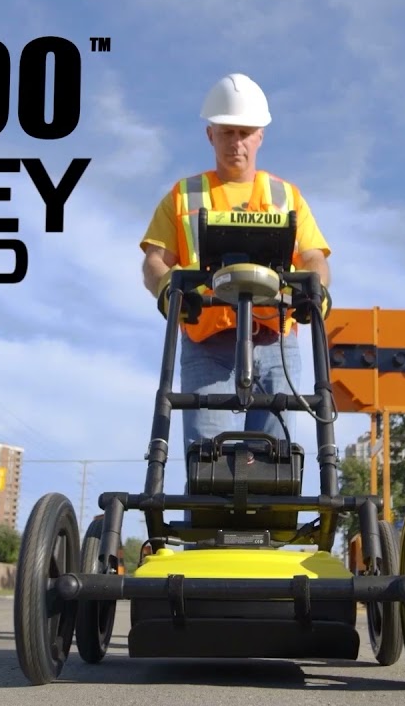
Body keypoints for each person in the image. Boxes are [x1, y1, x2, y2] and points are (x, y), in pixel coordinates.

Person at [138, 73, 332, 454]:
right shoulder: (184, 195)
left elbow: (313, 257)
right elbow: (154, 262)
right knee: (207, 462)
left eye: (245, 133)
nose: (236, 142)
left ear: (260, 136)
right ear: (210, 135)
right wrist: (169, 290)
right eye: (227, 132)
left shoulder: (285, 196)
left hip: (276, 342)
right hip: (206, 341)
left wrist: (316, 290)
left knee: (276, 464)